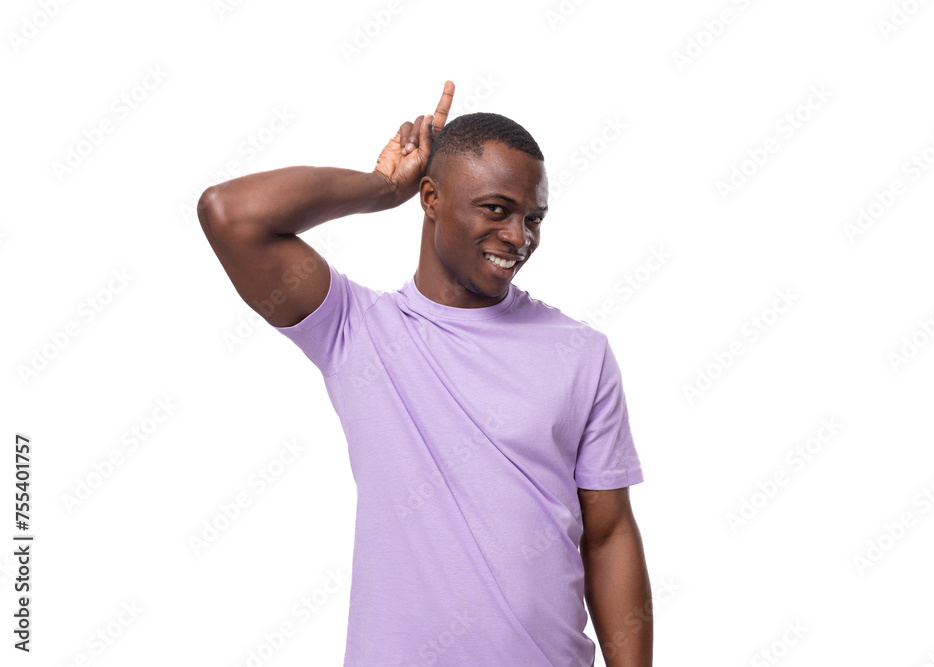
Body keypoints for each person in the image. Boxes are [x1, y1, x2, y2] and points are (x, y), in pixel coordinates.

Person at [197, 80, 652, 666]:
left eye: (533, 217)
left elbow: (609, 534)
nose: (519, 238)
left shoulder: (580, 352)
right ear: (431, 198)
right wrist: (382, 188)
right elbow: (230, 214)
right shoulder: (355, 330)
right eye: (497, 209)